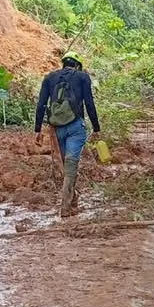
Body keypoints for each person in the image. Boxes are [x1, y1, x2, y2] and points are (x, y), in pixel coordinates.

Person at [34, 54, 101, 216]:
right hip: (76, 126)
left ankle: (72, 199)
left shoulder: (50, 78)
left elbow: (41, 104)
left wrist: (37, 130)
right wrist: (97, 128)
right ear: (77, 65)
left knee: (66, 165)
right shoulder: (82, 77)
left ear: (63, 64)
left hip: (57, 128)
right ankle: (65, 207)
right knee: (71, 166)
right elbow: (89, 103)